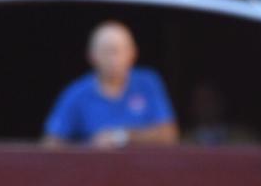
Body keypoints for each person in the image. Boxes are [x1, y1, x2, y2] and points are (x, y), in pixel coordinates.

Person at [43, 21, 177, 147]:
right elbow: (51, 142)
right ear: (92, 56)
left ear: (132, 53)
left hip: (143, 168)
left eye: (118, 51)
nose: (113, 59)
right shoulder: (77, 93)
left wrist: (120, 136)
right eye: (106, 51)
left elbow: (168, 134)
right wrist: (87, 148)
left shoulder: (147, 84)